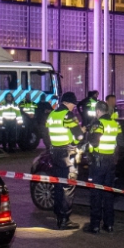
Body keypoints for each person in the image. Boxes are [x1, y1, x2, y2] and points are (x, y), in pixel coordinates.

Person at [46, 92, 83, 230]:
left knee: (58, 185)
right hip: (67, 153)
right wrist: (75, 142)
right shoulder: (68, 115)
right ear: (68, 103)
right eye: (73, 104)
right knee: (68, 186)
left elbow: (46, 134)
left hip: (54, 152)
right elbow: (78, 136)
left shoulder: (52, 114)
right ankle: (65, 220)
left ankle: (58, 216)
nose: (74, 107)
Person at [84, 102, 121, 234]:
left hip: (98, 163)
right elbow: (118, 143)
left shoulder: (98, 123)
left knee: (96, 194)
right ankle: (109, 224)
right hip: (110, 162)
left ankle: (94, 226)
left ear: (98, 111)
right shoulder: (114, 124)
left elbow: (93, 141)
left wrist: (89, 134)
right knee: (108, 194)